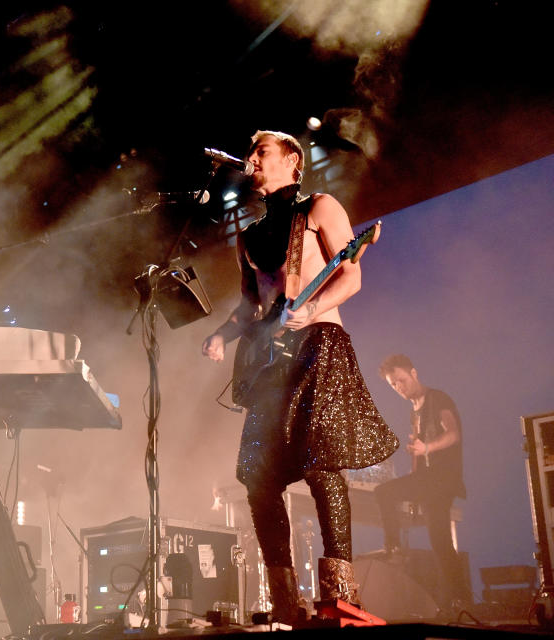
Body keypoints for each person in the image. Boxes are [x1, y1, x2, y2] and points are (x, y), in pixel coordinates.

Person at [201, 130, 398, 623]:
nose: (251, 161)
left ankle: (339, 595)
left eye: (261, 152)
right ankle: (285, 600)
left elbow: (351, 274)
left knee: (320, 463)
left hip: (319, 343)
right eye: (249, 154)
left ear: (292, 161)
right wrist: (223, 335)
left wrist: (312, 308)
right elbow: (250, 305)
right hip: (270, 361)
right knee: (257, 479)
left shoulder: (320, 208)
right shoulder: (247, 237)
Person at [374, 354, 469, 611]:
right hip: (427, 481)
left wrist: (427, 446)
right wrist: (414, 486)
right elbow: (418, 455)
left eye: (402, 380)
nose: (399, 388)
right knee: (440, 542)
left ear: (414, 373)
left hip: (442, 479)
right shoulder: (413, 411)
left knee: (383, 493)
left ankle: (392, 545)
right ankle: (458, 600)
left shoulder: (438, 399)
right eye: (394, 385)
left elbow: (453, 434)